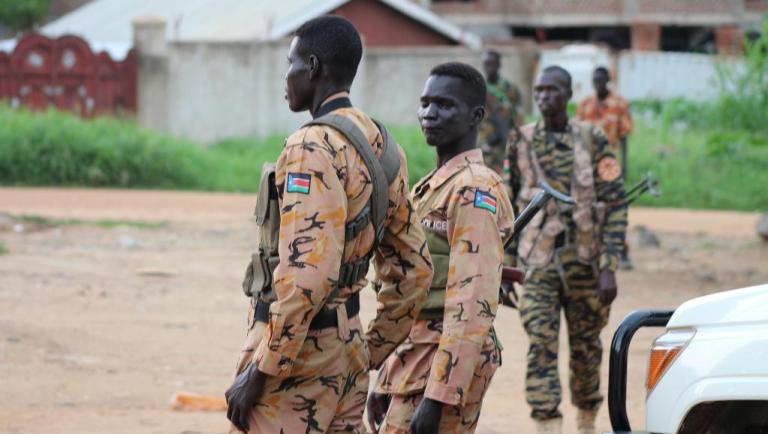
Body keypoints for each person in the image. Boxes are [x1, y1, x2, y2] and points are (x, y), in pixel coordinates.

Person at [224, 16, 433, 434]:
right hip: (348, 348)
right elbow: (416, 268)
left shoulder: (311, 146)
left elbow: (308, 276)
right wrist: (370, 348)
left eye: (291, 63)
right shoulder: (383, 144)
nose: (286, 76)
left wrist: (263, 369)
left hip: (299, 357)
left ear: (313, 67)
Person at [367, 62, 515, 434]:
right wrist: (388, 374)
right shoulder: (434, 185)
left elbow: (472, 302)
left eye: (445, 105)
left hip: (447, 360)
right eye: (425, 103)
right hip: (417, 352)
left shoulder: (474, 189)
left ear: (476, 116)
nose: (430, 113)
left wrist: (439, 396)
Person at [505, 65, 628, 434]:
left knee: (586, 347)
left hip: (585, 262)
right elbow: (507, 207)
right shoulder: (521, 140)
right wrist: (506, 265)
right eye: (539, 90)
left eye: (552, 90)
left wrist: (609, 266)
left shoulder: (593, 139)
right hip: (537, 263)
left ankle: (586, 421)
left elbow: (615, 203)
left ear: (569, 95)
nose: (544, 96)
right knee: (540, 344)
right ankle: (547, 425)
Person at [577, 66, 634, 269]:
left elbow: (624, 137)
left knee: (615, 205)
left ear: (608, 80)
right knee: (588, 204)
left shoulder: (619, 104)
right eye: (595, 80)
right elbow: (577, 136)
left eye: (602, 80)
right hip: (587, 164)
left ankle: (621, 249)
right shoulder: (585, 105)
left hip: (610, 164)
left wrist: (624, 165)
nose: (598, 83)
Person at [479, 50, 523, 174]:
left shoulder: (510, 88)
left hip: (506, 140)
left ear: (498, 65)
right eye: (486, 64)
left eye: (492, 63)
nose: (489, 67)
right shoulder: (479, 88)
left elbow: (519, 115)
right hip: (485, 142)